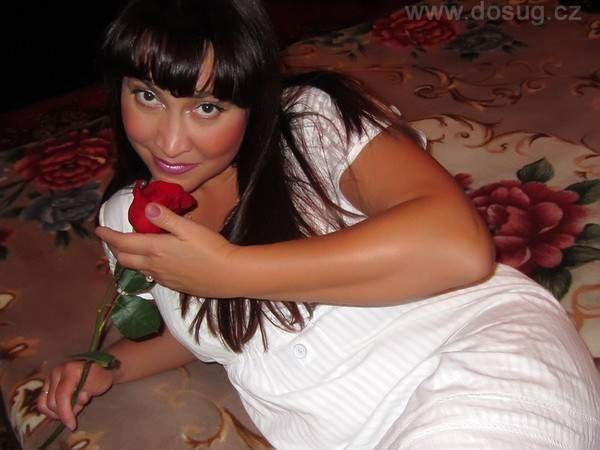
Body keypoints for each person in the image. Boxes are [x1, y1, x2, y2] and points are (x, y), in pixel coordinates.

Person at [37, 0, 600, 448]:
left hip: (477, 353)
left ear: (254, 101)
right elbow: (206, 329)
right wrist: (110, 365)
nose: (170, 141)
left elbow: (459, 250)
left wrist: (231, 270)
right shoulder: (124, 218)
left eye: (208, 107)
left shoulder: (308, 122)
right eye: (147, 96)